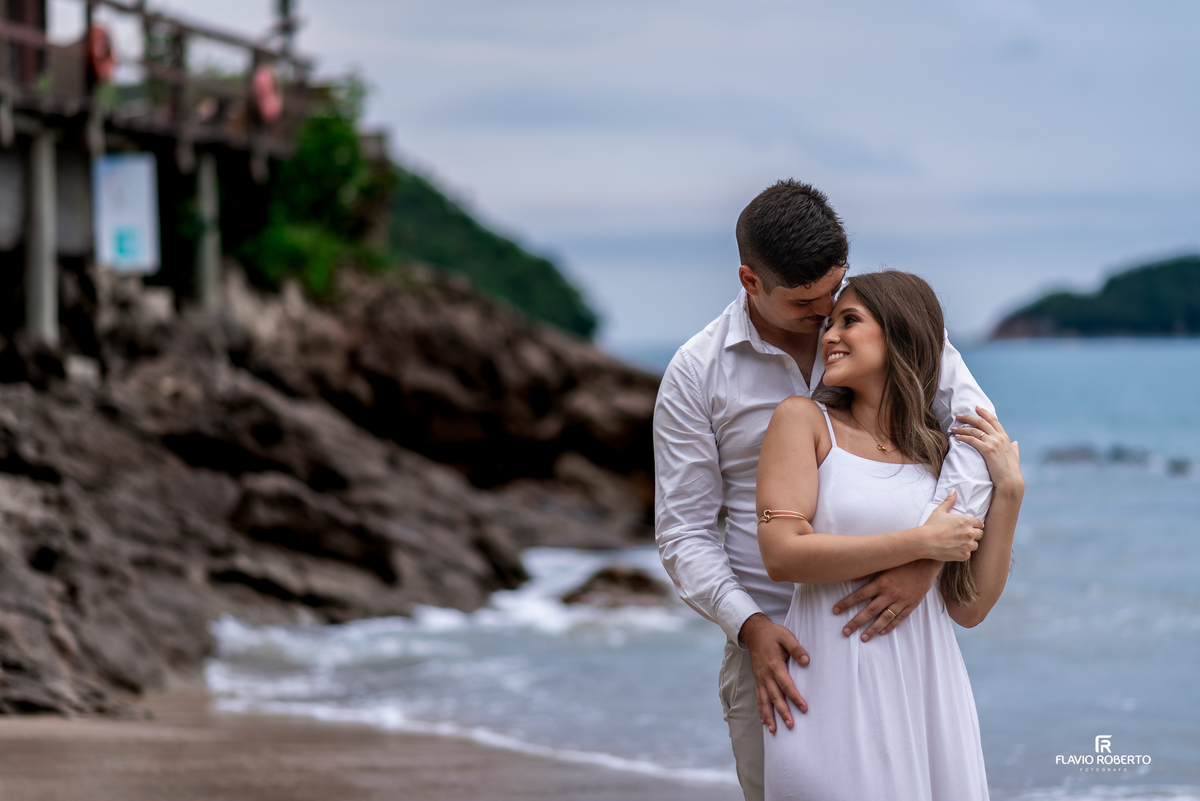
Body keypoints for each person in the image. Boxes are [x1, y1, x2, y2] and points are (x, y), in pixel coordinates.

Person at [653, 180, 999, 801]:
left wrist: (926, 560)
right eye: (806, 304)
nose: (824, 319)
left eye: (835, 293)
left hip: (899, 640)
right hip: (780, 655)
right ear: (749, 281)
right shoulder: (698, 372)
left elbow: (976, 439)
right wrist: (749, 625)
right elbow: (682, 531)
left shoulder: (880, 326)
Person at [756, 271, 1023, 800]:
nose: (829, 335)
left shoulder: (939, 458)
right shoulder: (804, 421)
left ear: (900, 333)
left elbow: (968, 608)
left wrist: (1009, 493)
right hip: (827, 689)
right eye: (829, 324)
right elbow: (782, 554)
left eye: (849, 321)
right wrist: (919, 544)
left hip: (927, 692)